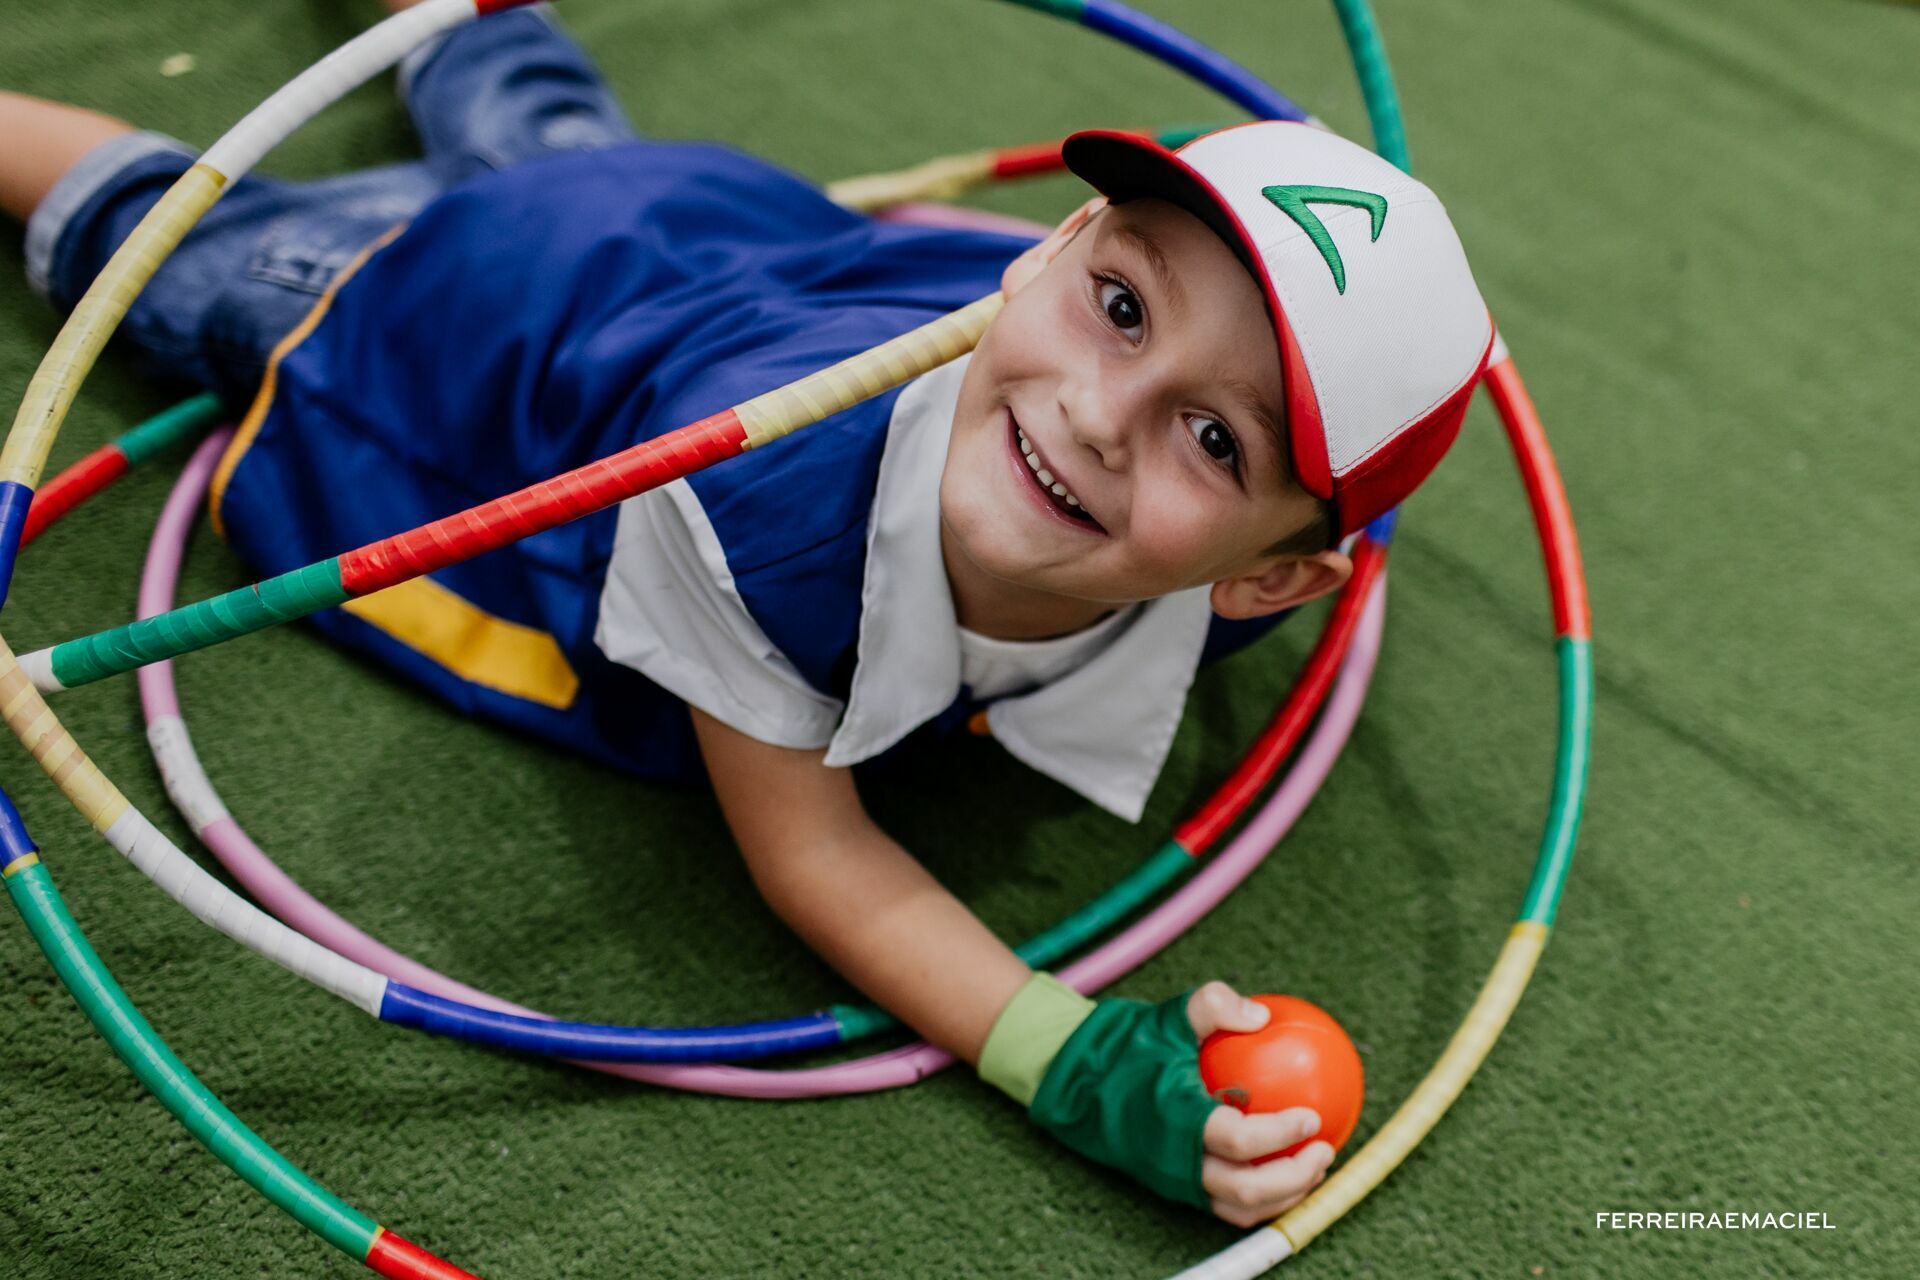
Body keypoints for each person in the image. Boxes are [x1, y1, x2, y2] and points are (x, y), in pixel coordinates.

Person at [0, 1, 1491, 1224]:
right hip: (452, 323)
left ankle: (461, 47)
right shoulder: (766, 519)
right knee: (174, 231)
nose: (1106, 416)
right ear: (1050, 245)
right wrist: (1080, 1059)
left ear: (1280, 576)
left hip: (680, 236)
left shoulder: (1226, 546)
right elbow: (818, 854)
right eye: (1119, 304)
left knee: (528, 100)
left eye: (1215, 440)